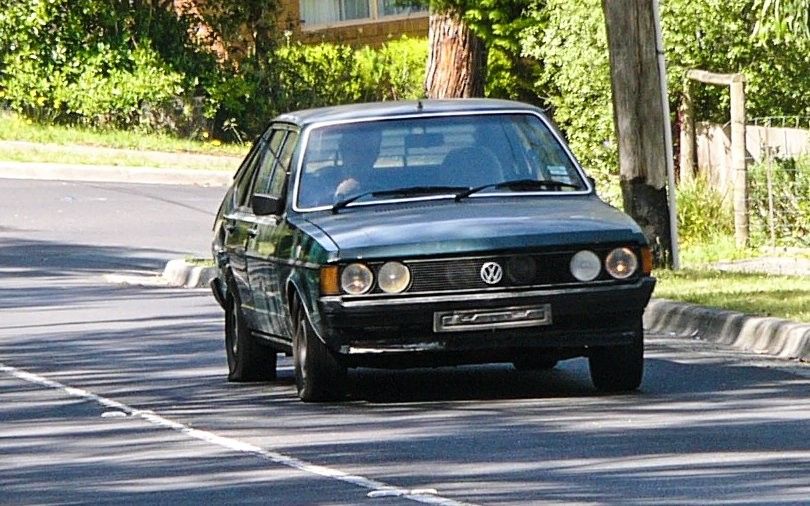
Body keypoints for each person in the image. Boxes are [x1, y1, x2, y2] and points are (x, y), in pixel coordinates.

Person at [333, 126, 383, 199]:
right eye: (354, 150)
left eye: (368, 151)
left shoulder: (389, 184)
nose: (360, 157)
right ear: (342, 150)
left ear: (376, 154)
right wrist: (339, 195)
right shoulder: (322, 183)